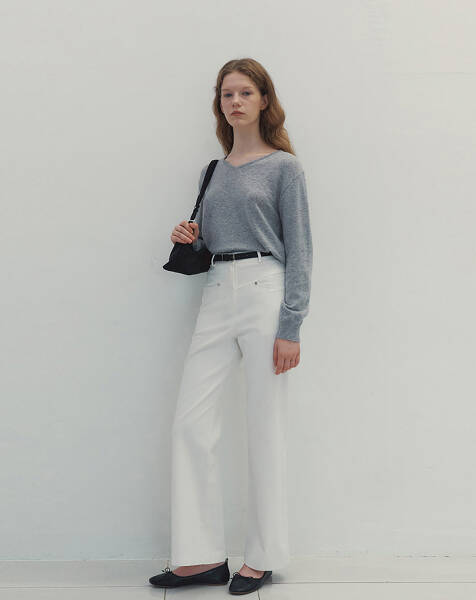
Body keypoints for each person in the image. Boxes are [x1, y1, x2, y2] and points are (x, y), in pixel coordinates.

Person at [149, 57, 313, 596]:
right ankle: (199, 557)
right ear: (219, 105)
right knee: (190, 423)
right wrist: (189, 237)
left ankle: (261, 558)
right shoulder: (212, 171)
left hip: (266, 290)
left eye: (245, 92)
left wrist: (291, 325)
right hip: (217, 290)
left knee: (265, 426)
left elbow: (301, 251)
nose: (235, 102)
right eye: (227, 94)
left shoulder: (285, 168)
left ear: (264, 100)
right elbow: (209, 241)